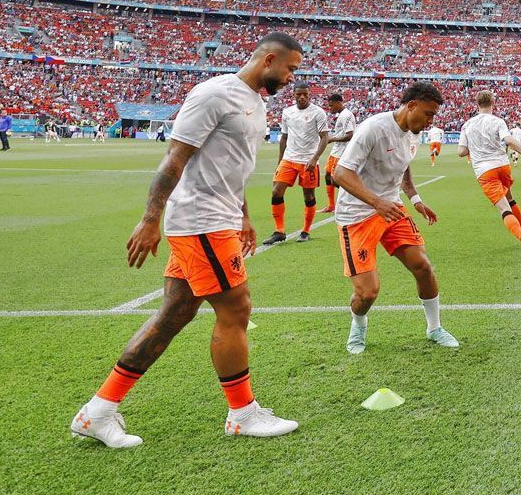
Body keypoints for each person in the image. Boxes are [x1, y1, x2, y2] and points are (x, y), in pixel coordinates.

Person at [69, 32, 304, 448]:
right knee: (236, 307)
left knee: (174, 315)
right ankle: (242, 414)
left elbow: (232, 168)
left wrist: (245, 217)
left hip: (221, 219)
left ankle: (98, 412)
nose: (291, 78)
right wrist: (149, 219)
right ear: (269, 60)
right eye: (290, 69)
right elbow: (174, 158)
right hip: (200, 221)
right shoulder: (213, 94)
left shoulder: (257, 102)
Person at [329, 82, 458, 354]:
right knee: (368, 292)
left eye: (433, 116)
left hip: (392, 209)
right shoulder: (373, 129)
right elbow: (340, 174)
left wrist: (416, 199)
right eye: (428, 114)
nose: (430, 121)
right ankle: (358, 325)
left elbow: (403, 167)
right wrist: (376, 202)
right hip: (357, 215)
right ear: (410, 106)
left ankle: (434, 328)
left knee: (423, 266)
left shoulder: (413, 133)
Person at [457, 92, 521, 259]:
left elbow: (461, 151)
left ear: (476, 104)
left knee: (504, 209)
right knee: (510, 199)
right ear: (493, 102)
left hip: (484, 171)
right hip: (502, 166)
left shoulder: (467, 125)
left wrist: (476, 147)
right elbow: (509, 141)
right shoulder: (498, 121)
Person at [260, 86, 330, 246]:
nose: (302, 97)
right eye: (299, 94)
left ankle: (306, 231)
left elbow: (325, 137)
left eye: (305, 94)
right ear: (294, 95)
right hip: (289, 159)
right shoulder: (287, 112)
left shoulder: (318, 112)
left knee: (309, 196)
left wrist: (315, 158)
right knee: (276, 191)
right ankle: (279, 231)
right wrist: (280, 161)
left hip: (308, 161)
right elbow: (284, 137)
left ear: (309, 94)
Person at [321, 93, 356, 213]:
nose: (330, 108)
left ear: (339, 103)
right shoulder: (341, 115)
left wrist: (332, 139)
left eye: (331, 106)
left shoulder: (346, 115)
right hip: (336, 151)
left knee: (335, 179)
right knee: (327, 175)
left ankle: (354, 197)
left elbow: (349, 135)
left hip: (342, 152)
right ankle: (331, 205)